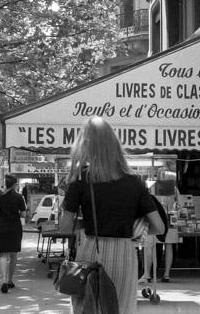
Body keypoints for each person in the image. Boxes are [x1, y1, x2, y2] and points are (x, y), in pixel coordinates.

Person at [58, 116, 165, 314]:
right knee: (121, 309)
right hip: (125, 254)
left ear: (86, 144)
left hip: (91, 252)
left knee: (87, 308)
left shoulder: (81, 180)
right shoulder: (134, 182)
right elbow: (159, 227)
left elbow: (64, 227)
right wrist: (131, 225)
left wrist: (88, 222)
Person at [0, 174, 26, 293]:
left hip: (3, 226)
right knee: (13, 254)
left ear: (5, 184)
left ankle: (4, 280)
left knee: (3, 255)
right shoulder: (19, 197)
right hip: (15, 227)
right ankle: (10, 280)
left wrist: (0, 218)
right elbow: (23, 214)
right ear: (15, 184)